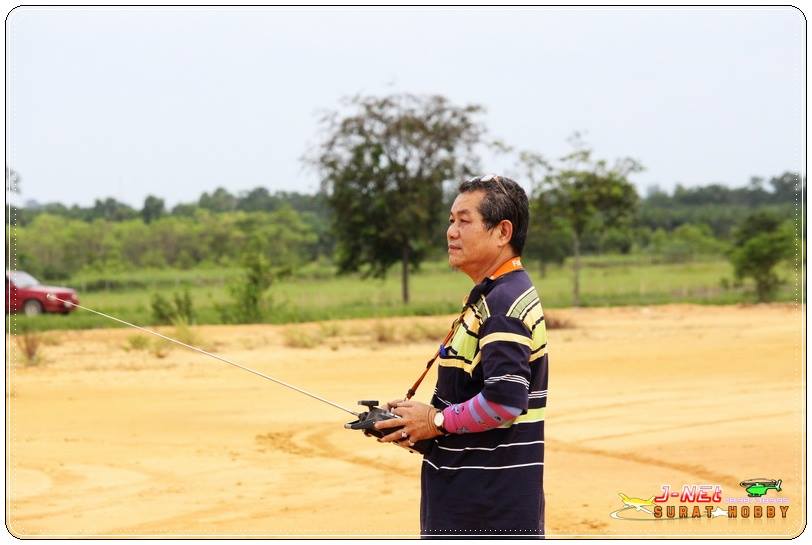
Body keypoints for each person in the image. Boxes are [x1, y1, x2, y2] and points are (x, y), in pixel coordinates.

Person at [375, 175, 548, 538]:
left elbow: (504, 402)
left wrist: (435, 421)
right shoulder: (493, 296)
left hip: (486, 515)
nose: (451, 232)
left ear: (502, 232)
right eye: (451, 220)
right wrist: (416, 426)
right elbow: (475, 408)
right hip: (476, 504)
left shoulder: (502, 306)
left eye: (464, 221)